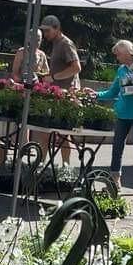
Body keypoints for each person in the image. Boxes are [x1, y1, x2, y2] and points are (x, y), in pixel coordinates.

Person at [94, 40, 133, 195]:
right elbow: (113, 92)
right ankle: (115, 182)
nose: (117, 57)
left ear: (128, 52)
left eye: (118, 54)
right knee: (117, 147)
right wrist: (95, 95)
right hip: (122, 114)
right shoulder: (121, 70)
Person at [40, 15, 81, 163]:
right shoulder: (56, 43)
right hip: (57, 92)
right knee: (48, 132)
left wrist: (55, 77)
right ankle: (42, 165)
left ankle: (65, 167)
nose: (45, 34)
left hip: (66, 93)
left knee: (63, 134)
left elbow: (76, 68)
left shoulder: (65, 44)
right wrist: (50, 75)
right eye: (43, 31)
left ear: (57, 29)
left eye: (47, 31)